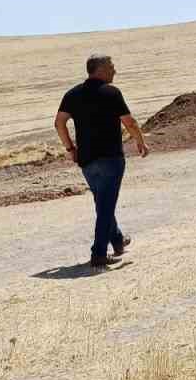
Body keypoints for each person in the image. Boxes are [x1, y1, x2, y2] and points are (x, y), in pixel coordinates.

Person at [54, 54, 149, 268]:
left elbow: (59, 123)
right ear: (100, 69)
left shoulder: (73, 94)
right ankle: (98, 253)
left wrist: (71, 148)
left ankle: (117, 240)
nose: (115, 71)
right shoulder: (111, 92)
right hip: (110, 158)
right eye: (111, 67)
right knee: (105, 204)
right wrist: (140, 142)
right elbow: (129, 121)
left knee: (103, 201)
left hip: (86, 160)